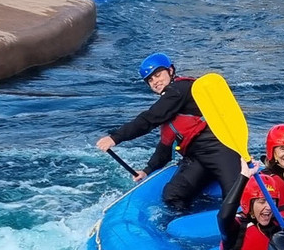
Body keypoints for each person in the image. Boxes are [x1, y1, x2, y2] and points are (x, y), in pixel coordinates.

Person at [96, 53, 241, 212]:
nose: (155, 81)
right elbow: (165, 147)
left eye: (158, 75)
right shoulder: (169, 105)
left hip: (221, 151)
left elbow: (149, 119)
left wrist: (115, 138)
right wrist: (147, 171)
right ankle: (186, 227)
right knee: (173, 195)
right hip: (197, 159)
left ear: (171, 71)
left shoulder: (180, 89)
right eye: (150, 80)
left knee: (234, 202)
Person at [217, 160, 284, 250]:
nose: (268, 207)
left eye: (271, 201)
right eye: (262, 201)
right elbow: (223, 216)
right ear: (248, 203)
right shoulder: (236, 227)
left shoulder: (282, 225)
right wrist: (244, 176)